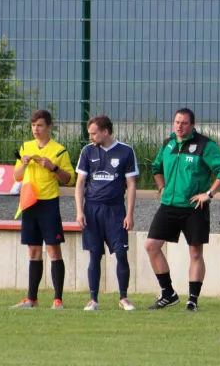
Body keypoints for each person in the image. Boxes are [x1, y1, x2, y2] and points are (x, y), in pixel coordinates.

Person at [145, 108, 220, 311]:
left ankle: (192, 300)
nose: (179, 126)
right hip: (168, 204)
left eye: (184, 123)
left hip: (194, 207)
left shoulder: (204, 145)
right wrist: (161, 187)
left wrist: (209, 194)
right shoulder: (168, 144)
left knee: (195, 252)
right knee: (151, 245)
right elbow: (156, 167)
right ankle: (168, 293)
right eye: (176, 122)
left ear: (192, 125)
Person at [11, 110, 75, 309]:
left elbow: (69, 179)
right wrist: (23, 164)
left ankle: (58, 300)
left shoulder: (59, 150)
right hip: (29, 202)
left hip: (48, 203)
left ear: (49, 127)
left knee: (54, 250)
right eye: (33, 125)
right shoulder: (26, 147)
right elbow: (17, 177)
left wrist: (53, 167)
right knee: (33, 251)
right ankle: (32, 299)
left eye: (39, 125)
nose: (35, 129)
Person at [75, 115, 139, 311]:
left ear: (105, 131)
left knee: (121, 253)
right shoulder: (87, 151)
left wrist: (129, 214)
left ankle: (124, 298)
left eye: (94, 133)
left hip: (116, 211)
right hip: (92, 209)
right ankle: (93, 300)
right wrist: (79, 211)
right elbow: (79, 184)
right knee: (94, 255)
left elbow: (131, 184)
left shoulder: (126, 151)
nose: (91, 137)